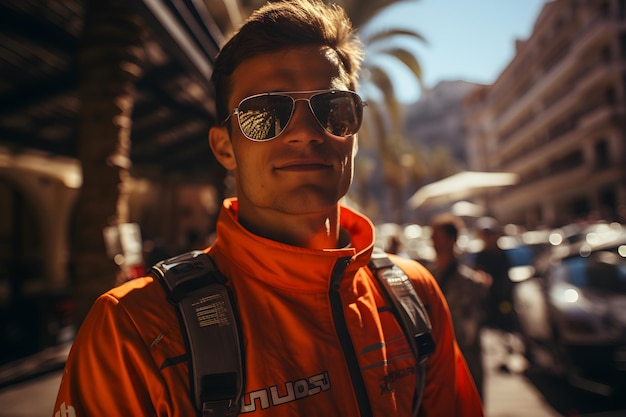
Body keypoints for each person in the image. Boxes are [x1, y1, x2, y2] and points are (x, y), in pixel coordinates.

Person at [53, 1, 483, 416]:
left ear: (354, 130)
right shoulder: (134, 330)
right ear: (225, 148)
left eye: (332, 109)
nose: (304, 132)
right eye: (264, 113)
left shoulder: (415, 294)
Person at [428, 213, 489, 400]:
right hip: (438, 361)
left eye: (437, 237)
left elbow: (470, 328)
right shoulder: (429, 276)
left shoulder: (469, 281)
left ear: (452, 240)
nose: (433, 243)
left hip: (464, 359)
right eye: (432, 238)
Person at [472, 215, 516, 373]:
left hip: (502, 297)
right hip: (487, 300)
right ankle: (498, 357)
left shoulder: (501, 254)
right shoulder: (482, 255)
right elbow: (476, 274)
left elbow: (506, 275)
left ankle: (505, 355)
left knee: (504, 326)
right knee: (490, 330)